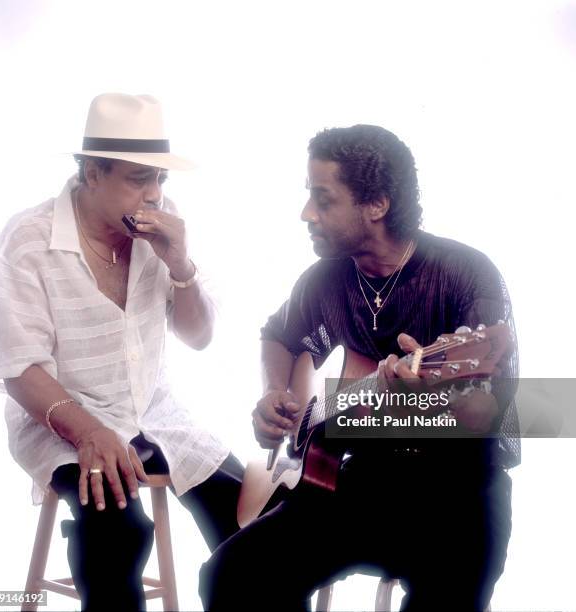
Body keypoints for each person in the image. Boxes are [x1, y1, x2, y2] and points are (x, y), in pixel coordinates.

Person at [199, 125, 520, 611]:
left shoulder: (465, 274)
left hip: (461, 493)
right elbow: (279, 336)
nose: (306, 213)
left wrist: (419, 403)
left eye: (323, 200)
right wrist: (273, 396)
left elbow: (490, 409)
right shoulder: (327, 279)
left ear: (376, 205)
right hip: (361, 482)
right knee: (231, 577)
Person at [0, 93, 243, 611]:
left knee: (244, 515)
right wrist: (91, 431)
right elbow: (19, 368)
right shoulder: (29, 240)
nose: (153, 195)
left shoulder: (161, 226)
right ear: (91, 174)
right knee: (117, 532)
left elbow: (199, 337)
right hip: (61, 421)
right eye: (138, 179)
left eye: (161, 179)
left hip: (154, 411)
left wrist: (181, 266)